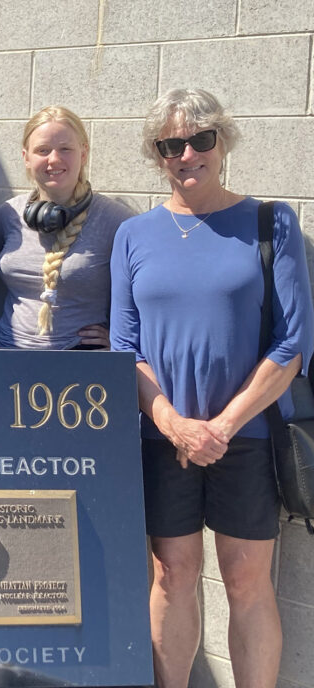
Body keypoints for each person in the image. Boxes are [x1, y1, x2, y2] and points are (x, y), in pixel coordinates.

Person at [109, 89, 314, 688]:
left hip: (245, 436)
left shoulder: (270, 223)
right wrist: (174, 423)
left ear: (222, 142)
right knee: (171, 574)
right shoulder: (134, 235)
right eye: (172, 144)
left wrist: (219, 428)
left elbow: (292, 346)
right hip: (162, 435)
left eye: (201, 140)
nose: (188, 154)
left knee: (248, 582)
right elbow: (126, 350)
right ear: (158, 155)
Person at [0, 106, 133, 349]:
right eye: (43, 150)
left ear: (83, 154)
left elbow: (147, 289)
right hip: (5, 354)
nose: (54, 159)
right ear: (26, 157)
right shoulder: (8, 215)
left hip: (80, 360)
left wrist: (118, 340)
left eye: (66, 149)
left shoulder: (115, 219)